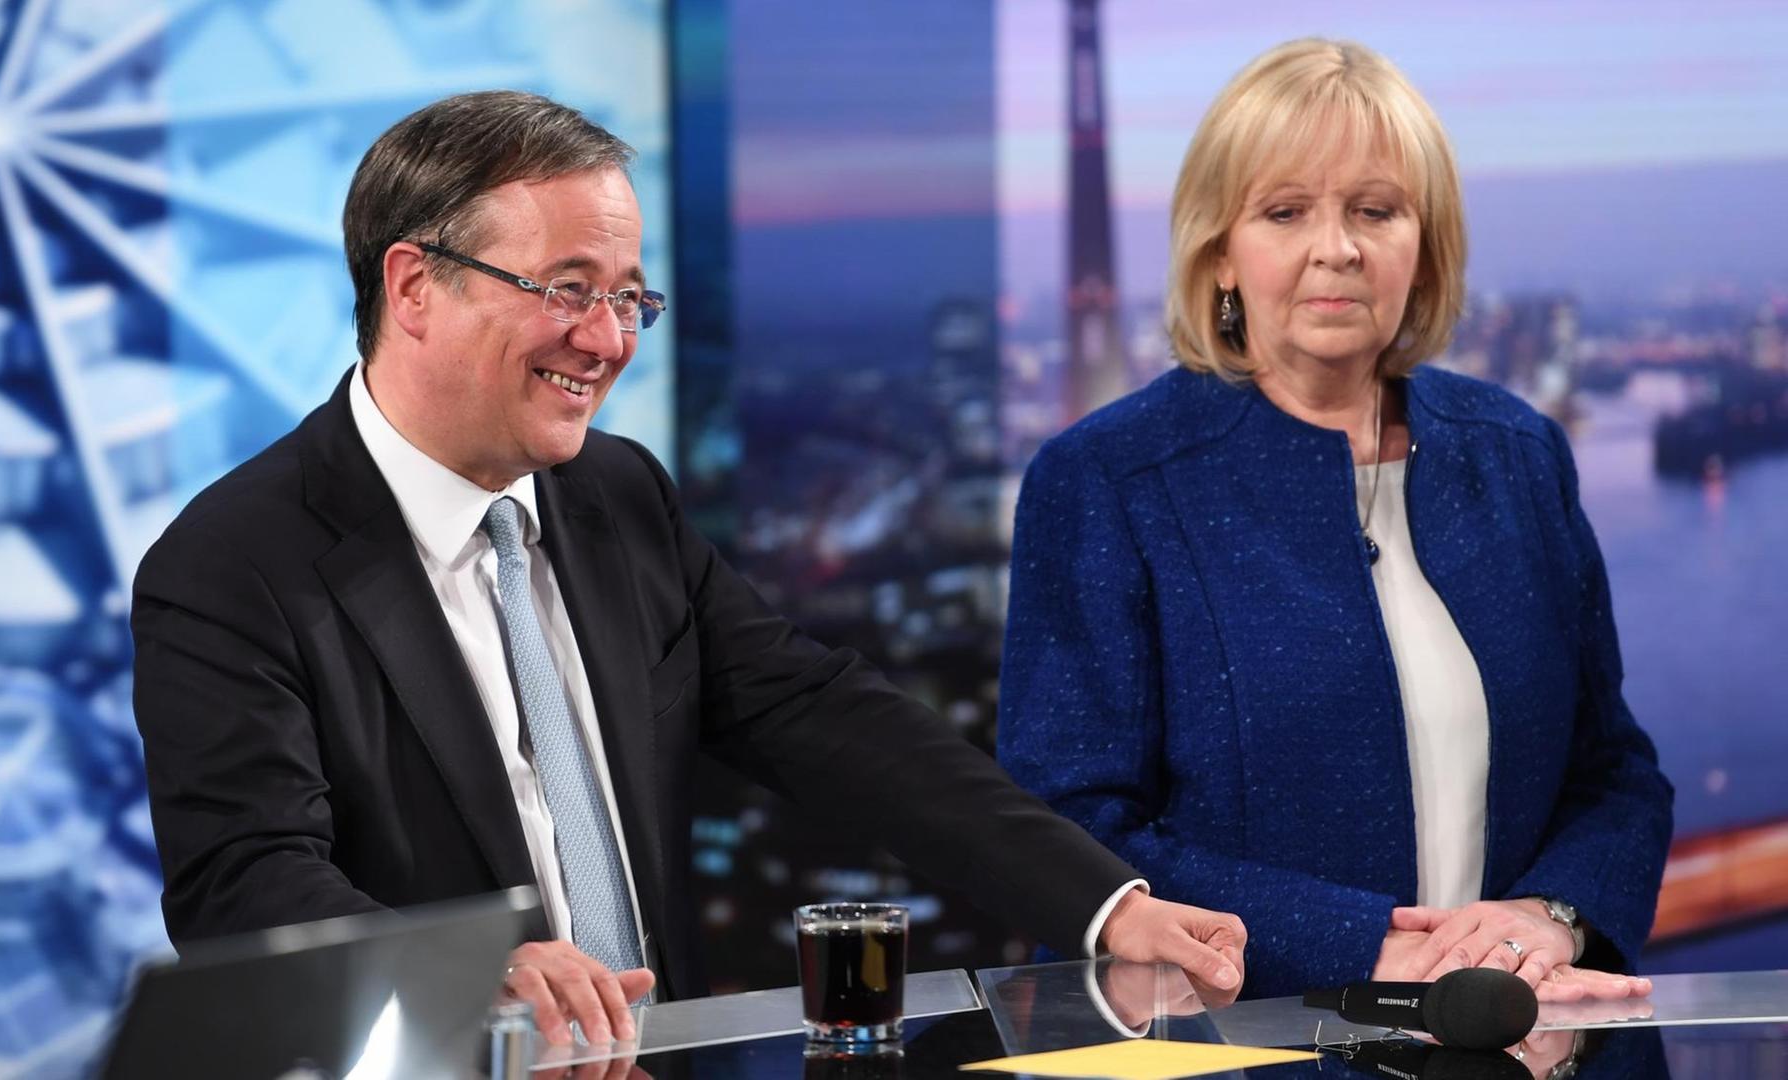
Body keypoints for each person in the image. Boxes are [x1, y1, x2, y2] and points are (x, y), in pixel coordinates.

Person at [131, 90, 1247, 1048]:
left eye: (628, 298)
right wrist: (471, 973)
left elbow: (827, 720)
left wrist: (1103, 905)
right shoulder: (234, 564)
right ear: (416, 286)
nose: (608, 340)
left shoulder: (619, 498)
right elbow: (247, 886)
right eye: (569, 289)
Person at [997, 39, 1673, 1002]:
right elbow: (1066, 827)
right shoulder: (1108, 481)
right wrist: (1365, 946)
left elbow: (1616, 773)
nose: (1338, 247)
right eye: (1285, 212)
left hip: (1526, 1042)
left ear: (1423, 245)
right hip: (1247, 1050)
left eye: (1375, 210)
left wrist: (1550, 914)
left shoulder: (1519, 453)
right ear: (1220, 252)